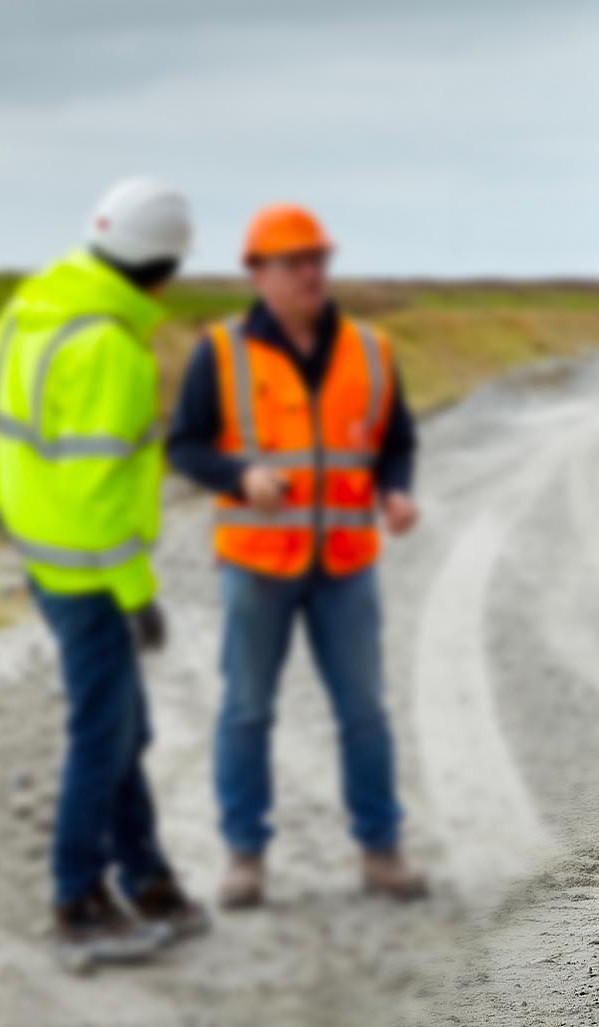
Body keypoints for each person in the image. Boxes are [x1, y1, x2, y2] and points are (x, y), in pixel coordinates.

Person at [0, 177, 210, 970]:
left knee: (127, 727)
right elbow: (98, 505)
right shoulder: (113, 352)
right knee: (105, 734)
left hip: (45, 563)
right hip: (89, 578)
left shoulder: (37, 307)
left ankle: (150, 880)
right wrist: (139, 597)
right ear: (166, 269)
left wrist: (5, 500)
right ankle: (78, 899)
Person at [165, 203, 427, 908]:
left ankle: (381, 851)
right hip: (257, 562)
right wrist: (239, 478)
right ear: (258, 274)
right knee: (247, 711)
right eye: (294, 262)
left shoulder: (367, 350)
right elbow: (184, 445)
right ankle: (244, 858)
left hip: (345, 563)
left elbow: (394, 440)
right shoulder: (220, 353)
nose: (311, 272)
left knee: (364, 712)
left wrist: (395, 492)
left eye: (317, 258)